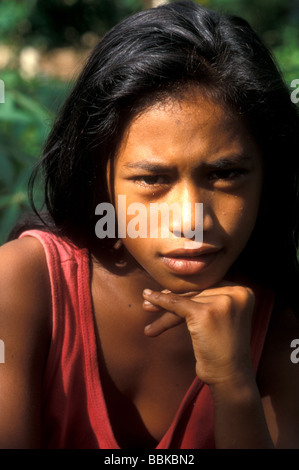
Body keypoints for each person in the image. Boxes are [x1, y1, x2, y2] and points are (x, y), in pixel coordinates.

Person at [1, 0, 299, 449]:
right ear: (99, 176)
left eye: (225, 174)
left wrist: (234, 385)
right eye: (151, 179)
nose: (190, 221)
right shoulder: (22, 285)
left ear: (268, 175)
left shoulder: (278, 322)